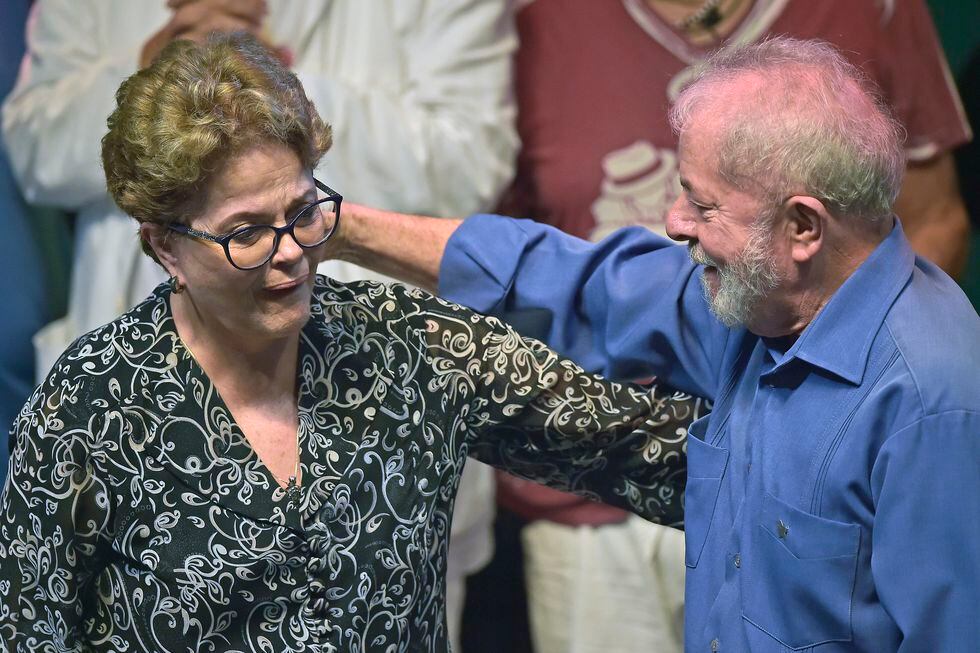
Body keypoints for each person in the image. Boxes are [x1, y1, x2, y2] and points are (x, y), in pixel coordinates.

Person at [0, 34, 698, 652]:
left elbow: (633, 444)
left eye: (304, 212)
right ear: (166, 248)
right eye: (245, 232)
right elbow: (29, 624)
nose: (290, 255)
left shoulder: (404, 345)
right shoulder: (94, 405)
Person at [331, 37, 980, 651]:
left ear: (802, 226)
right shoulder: (760, 303)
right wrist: (342, 227)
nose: (674, 223)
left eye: (703, 205)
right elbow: (563, 279)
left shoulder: (932, 403)